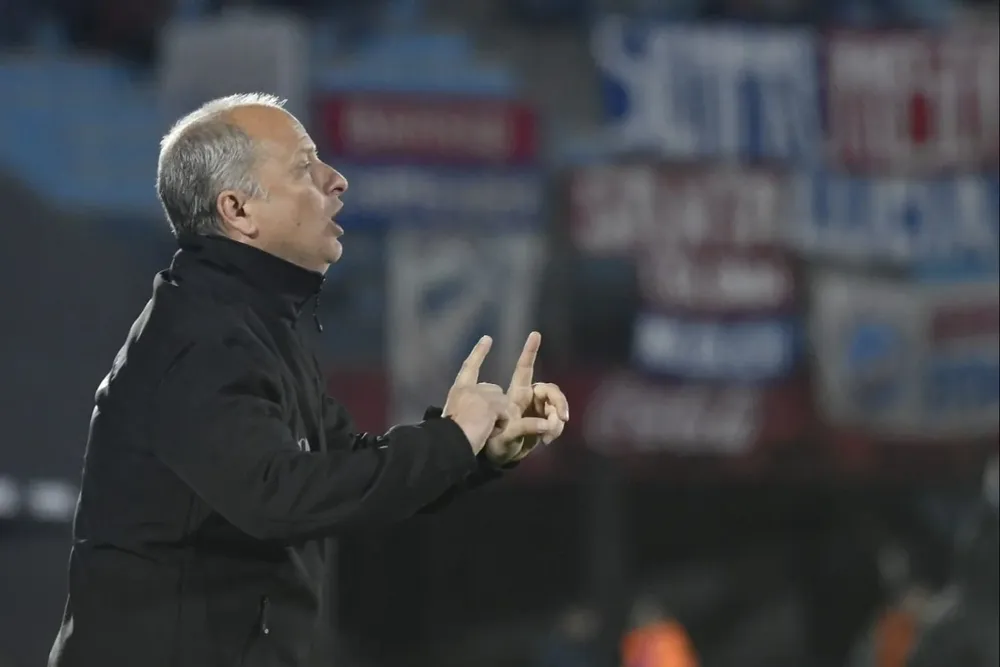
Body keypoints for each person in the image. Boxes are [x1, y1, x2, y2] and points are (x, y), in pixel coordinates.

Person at [48, 93, 569, 667]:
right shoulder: (199, 338)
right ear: (237, 210)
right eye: (303, 166)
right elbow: (281, 496)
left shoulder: (254, 323)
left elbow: (342, 468)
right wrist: (452, 438)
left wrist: (477, 450)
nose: (336, 179)